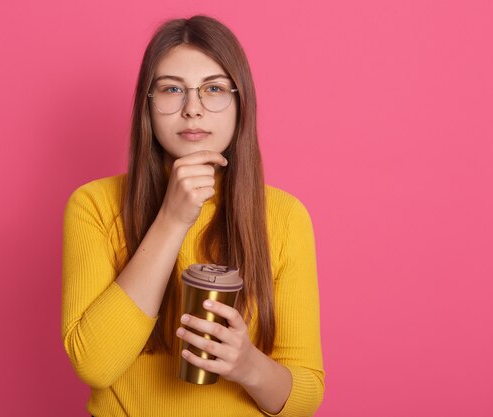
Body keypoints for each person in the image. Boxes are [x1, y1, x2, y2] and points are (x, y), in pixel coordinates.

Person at [61, 15, 324, 417]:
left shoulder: (285, 217)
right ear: (147, 105)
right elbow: (94, 365)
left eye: (213, 89)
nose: (193, 110)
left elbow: (305, 395)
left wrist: (247, 365)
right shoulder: (94, 205)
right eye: (171, 90)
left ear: (241, 103)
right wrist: (172, 218)